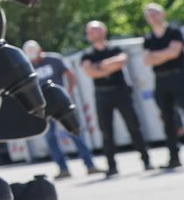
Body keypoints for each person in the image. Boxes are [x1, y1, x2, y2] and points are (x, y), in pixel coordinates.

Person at [79, 20, 150, 176]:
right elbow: (90, 71)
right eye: (91, 31)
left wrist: (99, 66)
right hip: (102, 94)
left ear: (104, 31)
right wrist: (108, 67)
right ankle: (111, 166)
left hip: (121, 91)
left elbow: (120, 61)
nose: (94, 33)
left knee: (134, 126)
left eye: (97, 30)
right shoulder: (87, 54)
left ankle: (146, 161)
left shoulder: (115, 48)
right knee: (106, 132)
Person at [22, 40, 101, 178]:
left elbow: (70, 75)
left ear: (40, 50)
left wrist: (67, 93)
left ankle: (90, 165)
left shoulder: (54, 59)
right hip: (43, 107)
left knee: (75, 132)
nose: (34, 59)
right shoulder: (27, 66)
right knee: (50, 138)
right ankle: (63, 168)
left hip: (60, 103)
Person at [141, 3, 183, 170]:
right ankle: (174, 158)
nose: (152, 17)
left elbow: (175, 52)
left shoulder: (174, 32)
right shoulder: (148, 38)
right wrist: (165, 53)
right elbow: (146, 60)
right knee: (167, 119)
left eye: (155, 13)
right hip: (161, 81)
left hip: (179, 77)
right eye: (149, 15)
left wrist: (156, 56)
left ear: (163, 14)